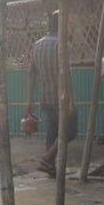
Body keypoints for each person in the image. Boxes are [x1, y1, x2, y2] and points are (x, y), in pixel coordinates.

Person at [26, 11, 76, 177]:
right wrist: (71, 101)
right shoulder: (63, 44)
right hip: (62, 97)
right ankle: (48, 159)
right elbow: (67, 74)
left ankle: (50, 166)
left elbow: (32, 73)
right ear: (62, 24)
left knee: (52, 132)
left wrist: (30, 99)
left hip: (45, 97)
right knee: (69, 131)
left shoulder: (37, 45)